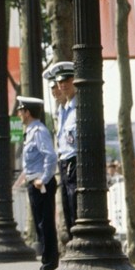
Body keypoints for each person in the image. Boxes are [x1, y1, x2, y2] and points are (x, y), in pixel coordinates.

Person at [13, 96, 59, 270]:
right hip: (35, 182)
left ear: (27, 112)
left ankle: (50, 264)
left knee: (45, 224)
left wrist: (44, 178)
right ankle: (47, 263)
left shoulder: (38, 131)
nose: (18, 114)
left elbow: (50, 156)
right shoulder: (31, 131)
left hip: (41, 184)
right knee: (41, 225)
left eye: (20, 110)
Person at [50, 61, 77, 237]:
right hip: (65, 161)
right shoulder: (64, 111)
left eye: (67, 80)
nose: (63, 85)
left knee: (75, 201)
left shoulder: (79, 106)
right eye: (60, 82)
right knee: (67, 204)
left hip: (76, 160)